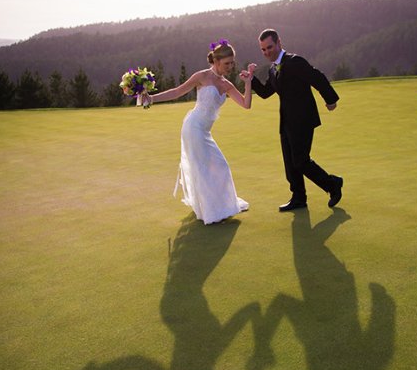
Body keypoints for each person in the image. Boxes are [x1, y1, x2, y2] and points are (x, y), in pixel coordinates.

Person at [143, 40, 256, 225]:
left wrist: (248, 83)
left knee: (221, 166)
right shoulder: (202, 76)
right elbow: (177, 92)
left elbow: (246, 104)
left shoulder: (226, 84)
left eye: (232, 63)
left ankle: (218, 207)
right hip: (193, 127)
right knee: (203, 169)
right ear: (216, 61)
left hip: (205, 132)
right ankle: (211, 213)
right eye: (227, 63)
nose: (230, 66)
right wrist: (152, 98)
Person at [250, 28, 343, 211]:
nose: (267, 52)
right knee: (290, 163)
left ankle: (333, 184)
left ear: (279, 43)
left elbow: (317, 77)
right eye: (263, 49)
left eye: (270, 47)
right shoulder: (273, 69)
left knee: (301, 161)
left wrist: (330, 99)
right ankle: (298, 197)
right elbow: (266, 92)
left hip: (303, 120)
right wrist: (251, 79)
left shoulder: (295, 61)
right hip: (286, 122)